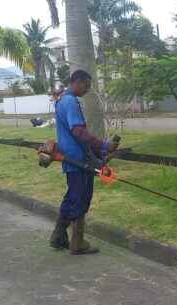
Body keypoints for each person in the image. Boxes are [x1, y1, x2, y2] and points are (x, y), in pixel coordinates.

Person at [45, 70, 118, 255]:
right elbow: (78, 131)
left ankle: (58, 236)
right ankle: (77, 243)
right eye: (86, 85)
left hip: (73, 157)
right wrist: (103, 145)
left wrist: (99, 152)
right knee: (80, 198)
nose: (87, 89)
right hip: (78, 160)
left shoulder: (62, 100)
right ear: (77, 82)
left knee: (72, 197)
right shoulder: (70, 102)